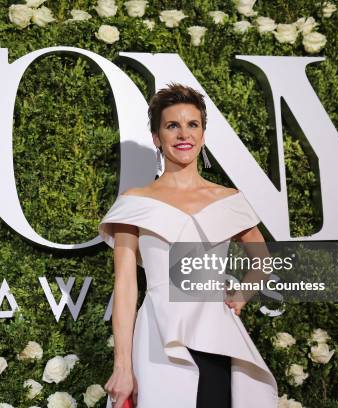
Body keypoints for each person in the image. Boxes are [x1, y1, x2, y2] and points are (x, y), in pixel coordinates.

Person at [98, 83, 278, 408]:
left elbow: (262, 260)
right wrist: (122, 366)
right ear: (157, 137)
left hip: (215, 339)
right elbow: (125, 287)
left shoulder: (228, 200)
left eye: (192, 124)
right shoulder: (134, 203)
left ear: (203, 134)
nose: (184, 134)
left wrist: (241, 296)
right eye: (172, 125)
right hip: (156, 340)